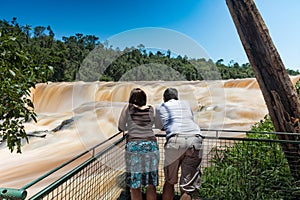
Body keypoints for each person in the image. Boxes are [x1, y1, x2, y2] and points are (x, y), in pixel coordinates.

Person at [155, 88, 203, 200]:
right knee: (188, 187)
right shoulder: (185, 104)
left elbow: (159, 125)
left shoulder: (161, 107)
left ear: (164, 98)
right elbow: (190, 118)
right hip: (194, 139)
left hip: (175, 140)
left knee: (169, 181)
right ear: (177, 97)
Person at [118, 88, 159, 200]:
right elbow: (156, 123)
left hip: (134, 146)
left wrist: (130, 127)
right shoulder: (151, 109)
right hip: (151, 145)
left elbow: (121, 127)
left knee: (135, 185)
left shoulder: (128, 108)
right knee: (151, 184)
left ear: (131, 98)